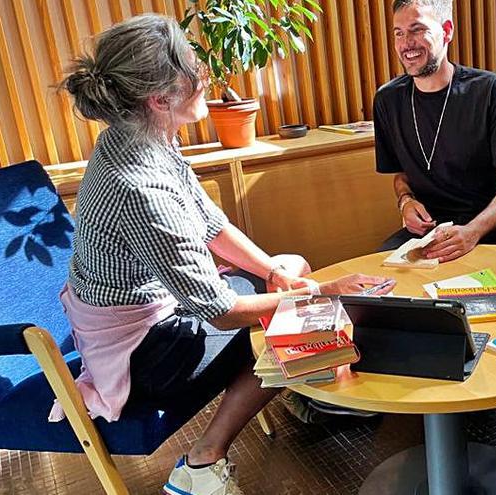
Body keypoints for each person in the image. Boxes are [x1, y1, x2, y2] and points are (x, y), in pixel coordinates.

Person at [59, 15, 392, 495]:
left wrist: (277, 272)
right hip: (143, 354)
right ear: (160, 98)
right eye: (195, 70)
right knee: (295, 321)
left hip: (157, 312)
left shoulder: (140, 136)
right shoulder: (137, 185)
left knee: (291, 268)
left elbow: (212, 223)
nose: (206, 78)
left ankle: (302, 386)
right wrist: (321, 293)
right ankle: (200, 463)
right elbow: (219, 312)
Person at [374, 0, 496, 262]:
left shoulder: (491, 90)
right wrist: (406, 202)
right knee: (381, 283)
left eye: (417, 30)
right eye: (398, 33)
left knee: (487, 290)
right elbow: (401, 176)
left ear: (446, 31)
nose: (406, 43)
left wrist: (472, 232)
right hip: (433, 230)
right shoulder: (387, 100)